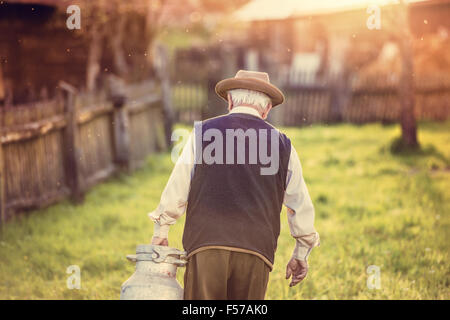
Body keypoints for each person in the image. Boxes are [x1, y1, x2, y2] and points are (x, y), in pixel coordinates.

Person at [149, 70, 320, 300]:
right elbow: (299, 203)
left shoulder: (202, 133)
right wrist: (301, 251)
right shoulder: (283, 145)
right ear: (267, 109)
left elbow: (178, 185)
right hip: (256, 249)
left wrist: (162, 229)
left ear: (230, 101)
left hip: (206, 243)